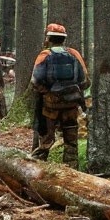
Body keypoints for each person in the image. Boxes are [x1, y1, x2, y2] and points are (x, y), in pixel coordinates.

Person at [30, 23, 89, 167]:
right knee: (71, 140)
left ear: (48, 38)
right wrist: (73, 90)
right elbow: (86, 80)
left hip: (50, 106)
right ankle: (72, 170)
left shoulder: (44, 55)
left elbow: (35, 81)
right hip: (71, 105)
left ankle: (37, 168)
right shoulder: (74, 54)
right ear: (64, 39)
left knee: (47, 138)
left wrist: (47, 92)